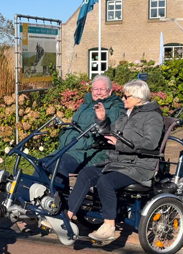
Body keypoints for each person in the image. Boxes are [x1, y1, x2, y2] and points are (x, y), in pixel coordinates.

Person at [64, 80, 163, 241]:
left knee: (105, 182)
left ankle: (109, 227)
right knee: (86, 173)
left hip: (139, 166)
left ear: (138, 98)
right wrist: (102, 119)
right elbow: (111, 133)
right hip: (119, 163)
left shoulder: (152, 117)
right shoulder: (127, 114)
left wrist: (121, 145)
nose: (122, 99)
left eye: (126, 96)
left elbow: (150, 144)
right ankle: (68, 216)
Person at [40, 75, 124, 186]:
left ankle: (58, 200)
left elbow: (108, 128)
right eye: (95, 89)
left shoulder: (115, 107)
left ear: (110, 91)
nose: (98, 92)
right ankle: (30, 197)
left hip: (93, 152)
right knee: (42, 163)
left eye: (102, 89)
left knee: (59, 165)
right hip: (70, 149)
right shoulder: (86, 105)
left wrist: (102, 119)